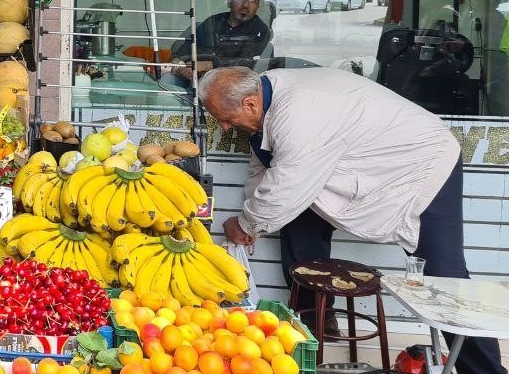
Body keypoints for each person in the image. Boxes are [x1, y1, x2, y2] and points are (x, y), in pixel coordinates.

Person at [200, 66, 505, 374]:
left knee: (444, 279)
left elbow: (286, 186)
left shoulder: (300, 115)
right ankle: (316, 321)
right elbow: (264, 170)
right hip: (355, 163)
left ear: (251, 104)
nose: (224, 128)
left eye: (225, 119)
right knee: (298, 222)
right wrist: (252, 219)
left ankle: (485, 369)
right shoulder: (265, 95)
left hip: (424, 167)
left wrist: (246, 224)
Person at [160, 0, 272, 91]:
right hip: (191, 75)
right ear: (229, 2)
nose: (246, 5)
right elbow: (185, 49)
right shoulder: (213, 22)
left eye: (252, 1)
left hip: (227, 85)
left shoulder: (260, 31)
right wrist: (179, 65)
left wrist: (207, 66)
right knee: (166, 82)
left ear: (257, 7)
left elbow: (246, 64)